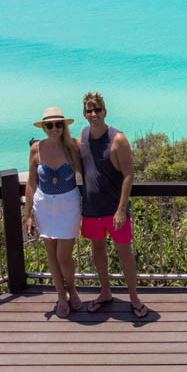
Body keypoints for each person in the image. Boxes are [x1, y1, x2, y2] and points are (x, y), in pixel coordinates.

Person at [79, 92, 148, 319]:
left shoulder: (118, 139)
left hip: (113, 210)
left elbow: (129, 175)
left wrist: (121, 209)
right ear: (84, 113)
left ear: (105, 111)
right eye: (89, 110)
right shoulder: (84, 134)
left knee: (125, 254)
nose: (93, 114)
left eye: (97, 109)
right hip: (91, 209)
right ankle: (105, 292)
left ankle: (134, 298)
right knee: (98, 251)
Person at [25, 106, 83, 318]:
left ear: (64, 126)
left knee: (63, 256)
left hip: (69, 205)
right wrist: (28, 214)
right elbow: (31, 183)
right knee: (51, 255)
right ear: (43, 128)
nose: (54, 129)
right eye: (49, 125)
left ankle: (73, 290)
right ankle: (61, 296)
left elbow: (95, 165)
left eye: (58, 124)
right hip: (44, 206)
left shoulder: (74, 146)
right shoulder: (36, 149)